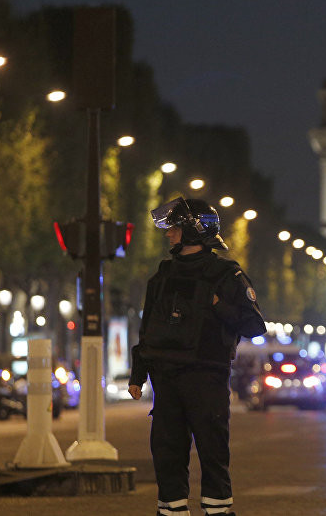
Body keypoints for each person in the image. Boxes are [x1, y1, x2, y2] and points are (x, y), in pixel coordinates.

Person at [129, 197, 266, 516]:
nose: (168, 234)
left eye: (174, 228)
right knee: (166, 451)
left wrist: (217, 304)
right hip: (166, 376)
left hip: (206, 375)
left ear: (193, 231)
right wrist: (138, 373)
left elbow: (254, 325)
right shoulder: (163, 274)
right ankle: (172, 511)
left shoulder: (227, 274)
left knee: (212, 449)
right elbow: (148, 327)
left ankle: (218, 510)